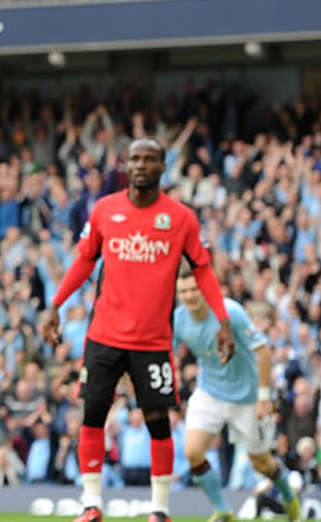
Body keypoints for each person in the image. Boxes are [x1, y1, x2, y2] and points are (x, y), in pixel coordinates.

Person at [42, 137, 236, 522]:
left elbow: (202, 269)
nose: (141, 165)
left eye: (149, 159)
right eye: (135, 159)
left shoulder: (180, 218)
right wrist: (55, 304)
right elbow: (84, 262)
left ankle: (160, 510)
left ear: (163, 168)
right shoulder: (104, 210)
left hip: (152, 342)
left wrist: (224, 321)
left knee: (158, 423)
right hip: (104, 336)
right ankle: (91, 504)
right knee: (93, 415)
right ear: (125, 166)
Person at [172, 268, 300, 522]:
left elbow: (263, 351)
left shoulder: (230, 313)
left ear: (204, 289)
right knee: (193, 452)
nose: (189, 296)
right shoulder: (178, 319)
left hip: (248, 399)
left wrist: (264, 397)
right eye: (183, 291)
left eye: (193, 289)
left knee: (261, 463)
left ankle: (290, 498)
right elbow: (170, 353)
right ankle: (222, 509)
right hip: (209, 392)